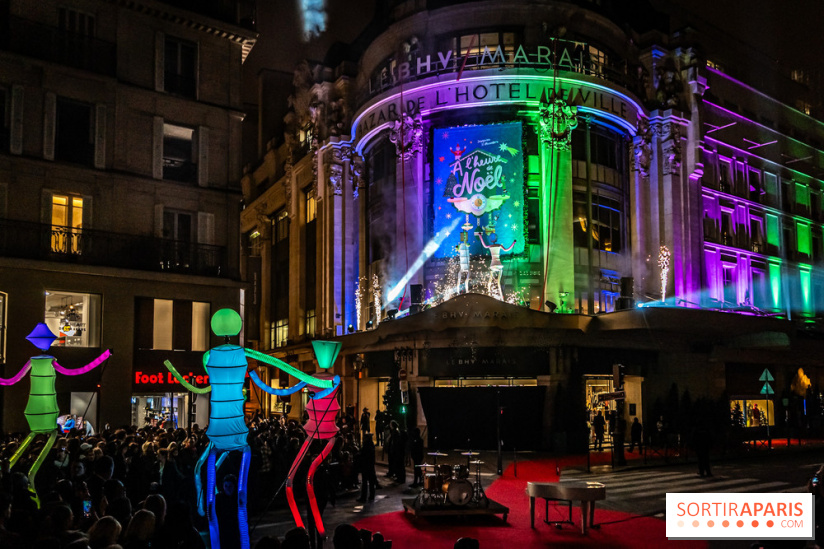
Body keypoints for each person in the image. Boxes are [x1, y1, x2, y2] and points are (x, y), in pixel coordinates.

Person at [356, 434, 377, 503]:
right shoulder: (371, 445)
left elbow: (363, 455)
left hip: (366, 466)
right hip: (370, 465)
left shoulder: (366, 446)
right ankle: (371, 495)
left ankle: (364, 497)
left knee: (365, 482)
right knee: (371, 481)